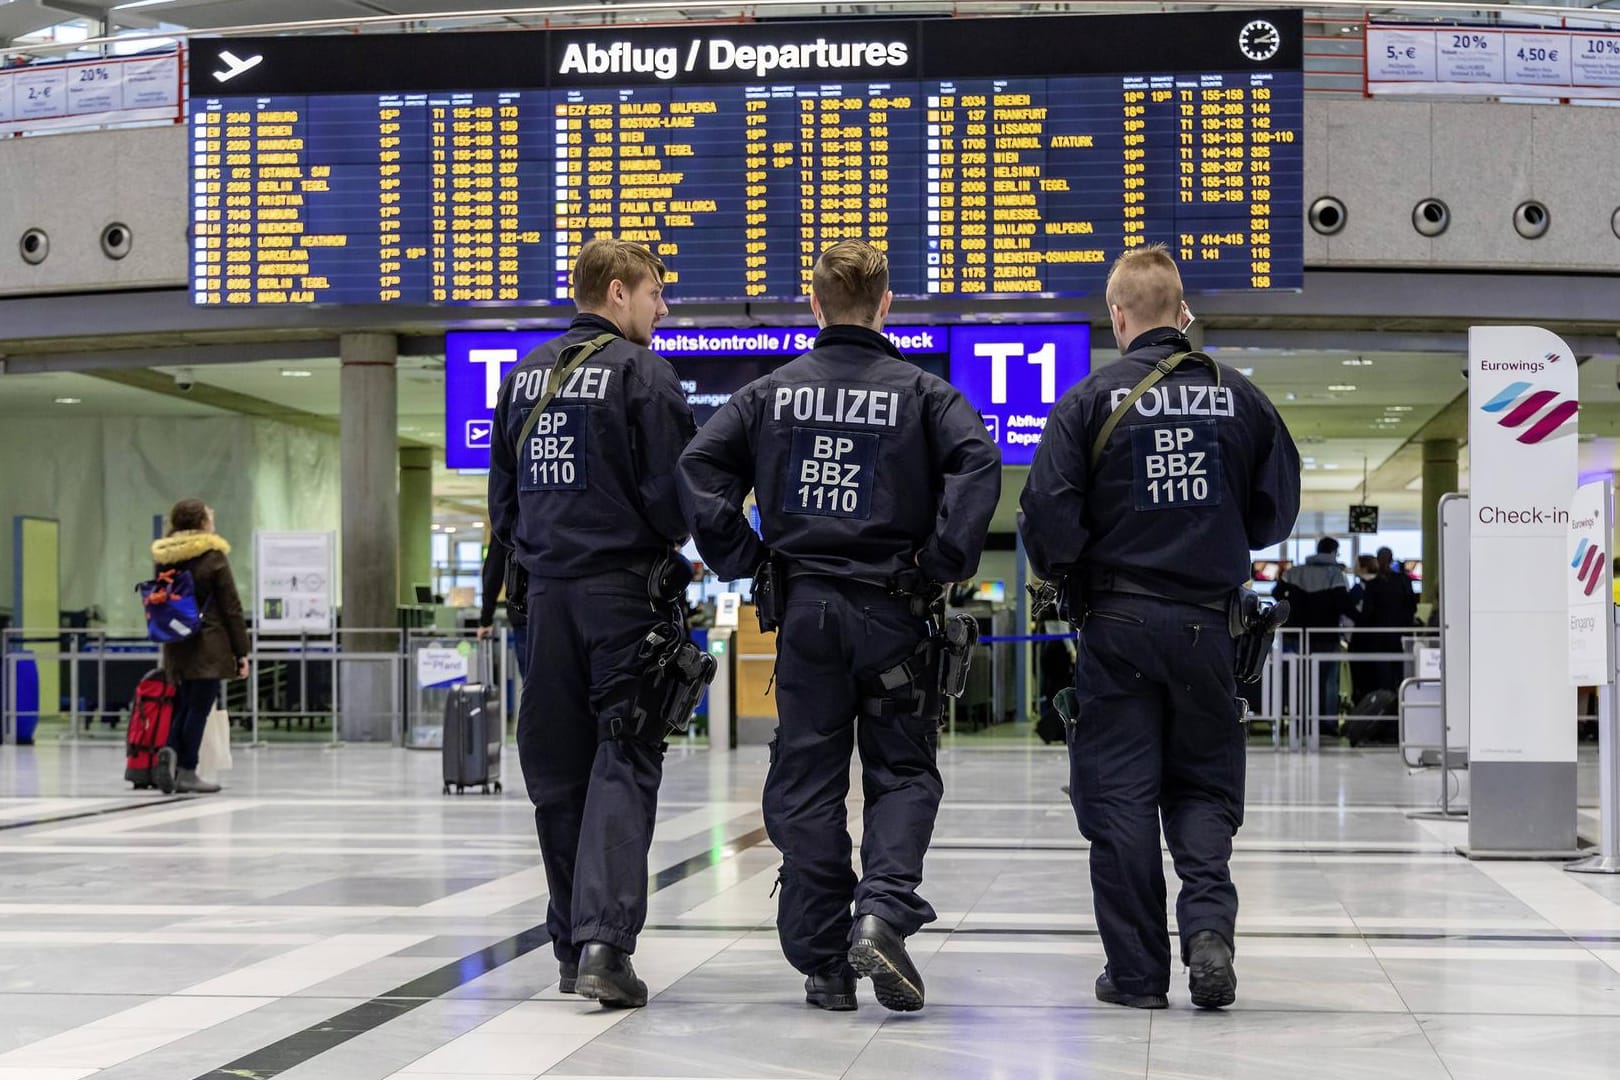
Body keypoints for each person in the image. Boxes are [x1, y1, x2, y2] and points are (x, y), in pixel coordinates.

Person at [676, 240, 1000, 1013]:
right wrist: (942, 559)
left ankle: (825, 961)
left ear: (814, 305)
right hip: (897, 616)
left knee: (807, 781)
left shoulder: (767, 395)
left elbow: (697, 469)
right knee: (904, 772)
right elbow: (978, 464)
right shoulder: (926, 394)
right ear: (887, 305)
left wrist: (748, 557)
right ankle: (882, 912)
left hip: (809, 614)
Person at [1018, 244, 1300, 1011]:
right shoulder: (1241, 399)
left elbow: (1045, 524)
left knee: (1119, 797)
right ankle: (1208, 929)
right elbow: (1276, 514)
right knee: (1203, 788)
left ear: (1118, 317)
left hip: (1116, 625)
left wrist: (1091, 561)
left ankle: (1139, 975)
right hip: (1211, 628)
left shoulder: (1085, 402)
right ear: (1183, 314)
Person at [487, 237, 697, 1009]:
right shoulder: (643, 374)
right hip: (624, 600)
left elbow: (503, 509)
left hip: (543, 601)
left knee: (557, 774)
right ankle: (608, 941)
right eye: (654, 295)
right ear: (616, 292)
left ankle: (573, 949)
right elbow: (672, 501)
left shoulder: (520, 377)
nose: (661, 309)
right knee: (625, 755)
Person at [149, 499, 249, 795]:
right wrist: (241, 651)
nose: (212, 521)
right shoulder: (213, 556)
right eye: (209, 517)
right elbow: (231, 606)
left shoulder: (164, 556)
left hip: (177, 641)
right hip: (210, 643)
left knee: (183, 704)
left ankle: (170, 753)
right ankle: (187, 770)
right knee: (199, 707)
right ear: (202, 523)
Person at [1275, 537, 1356, 717]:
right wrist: (1361, 619)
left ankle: (1297, 718)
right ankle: (1326, 721)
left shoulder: (1294, 573)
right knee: (1327, 681)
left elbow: (1276, 594)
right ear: (1334, 552)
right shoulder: (1336, 575)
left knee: (1297, 678)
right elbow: (1344, 605)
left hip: (1294, 635)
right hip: (1326, 636)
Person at [1356, 547, 1418, 695]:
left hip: (1378, 640)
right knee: (1401, 678)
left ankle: (1385, 711)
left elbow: (1367, 614)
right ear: (1392, 559)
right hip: (1401, 638)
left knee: (1382, 680)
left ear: (1378, 560)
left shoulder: (1373, 585)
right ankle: (1399, 712)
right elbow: (1412, 607)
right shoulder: (1404, 581)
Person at [476, 533, 528, 681]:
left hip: (525, 612)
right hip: (561, 612)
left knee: (532, 684)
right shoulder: (556, 511)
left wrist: (486, 619)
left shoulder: (508, 518)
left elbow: (493, 573)